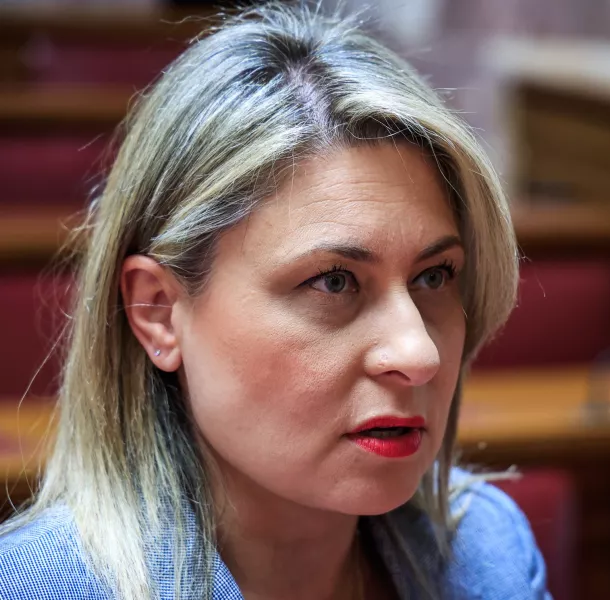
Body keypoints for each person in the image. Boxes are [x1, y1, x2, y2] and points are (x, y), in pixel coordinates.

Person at [0, 3, 551, 599]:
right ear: (158, 313)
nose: (419, 354)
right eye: (334, 281)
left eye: (434, 276)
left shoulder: (488, 555)